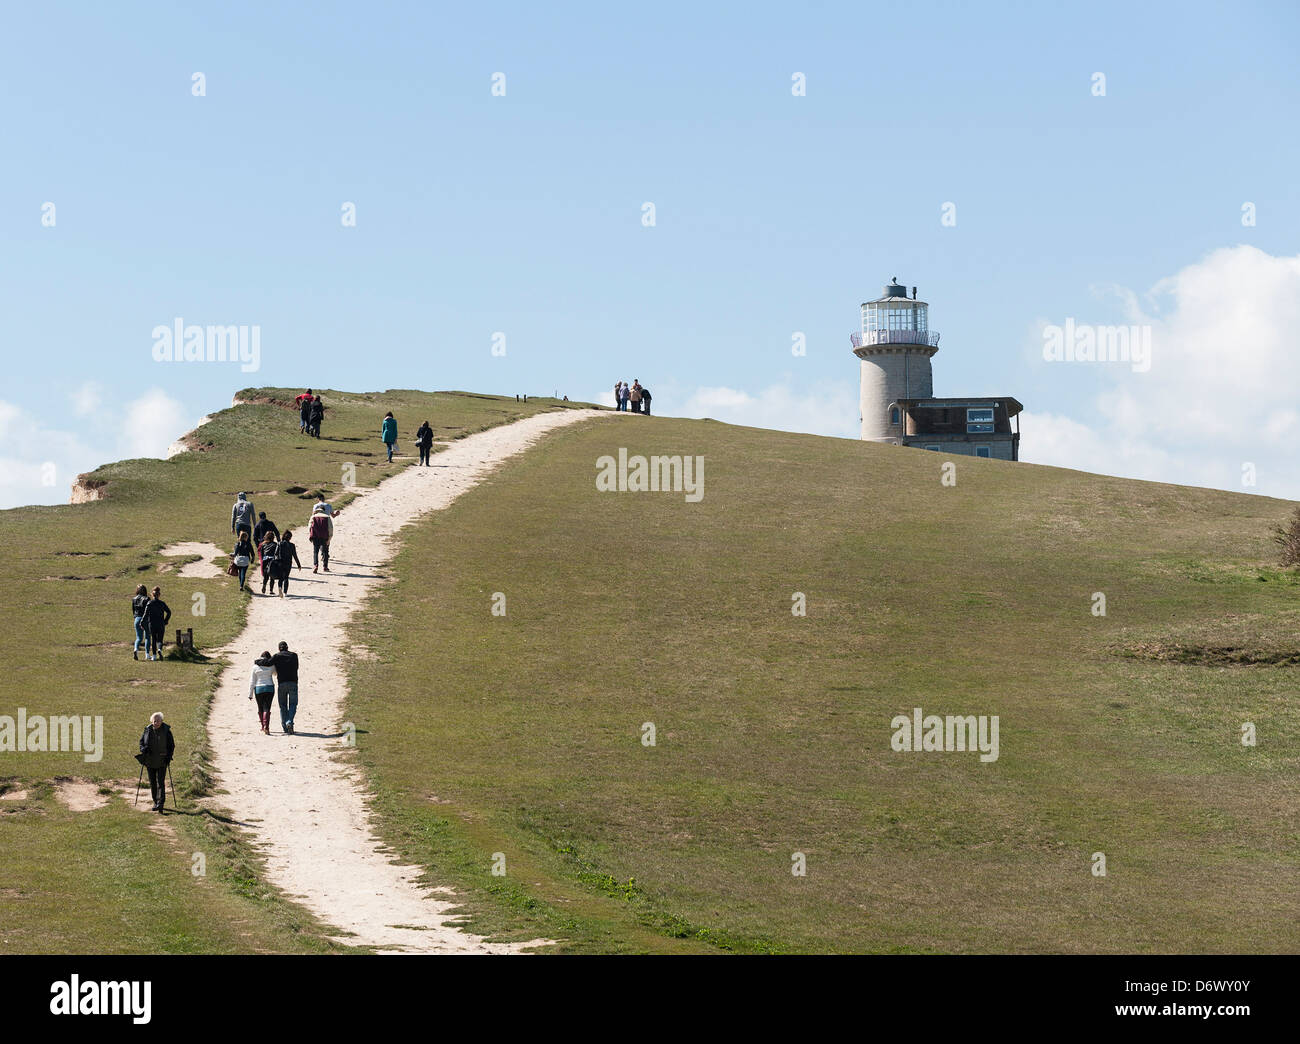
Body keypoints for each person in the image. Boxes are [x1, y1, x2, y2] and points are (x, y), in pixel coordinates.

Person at [138, 712, 175, 812]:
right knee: (152, 783)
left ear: (162, 721)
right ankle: (155, 802)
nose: (156, 722)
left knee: (160, 782)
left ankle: (160, 803)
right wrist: (143, 749)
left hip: (162, 761)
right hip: (150, 761)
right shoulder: (147, 730)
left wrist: (169, 757)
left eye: (158, 721)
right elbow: (141, 742)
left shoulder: (167, 731)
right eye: (154, 721)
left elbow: (171, 745)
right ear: (152, 721)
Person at [271, 641, 300, 735]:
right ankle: (289, 722)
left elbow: (267, 662)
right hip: (293, 682)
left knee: (283, 705)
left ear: (279, 648)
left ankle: (285, 727)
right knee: (293, 704)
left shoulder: (277, 656)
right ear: (287, 647)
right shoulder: (294, 656)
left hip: (282, 683)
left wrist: (257, 661)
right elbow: (297, 667)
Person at [248, 651, 276, 734]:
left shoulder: (255, 666)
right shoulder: (271, 666)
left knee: (260, 708)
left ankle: (263, 726)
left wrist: (250, 694)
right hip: (269, 688)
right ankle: (267, 726)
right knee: (267, 707)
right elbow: (275, 674)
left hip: (258, 688)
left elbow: (252, 681)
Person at [141, 586, 171, 661]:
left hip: (152, 624)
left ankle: (154, 656)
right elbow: (169, 612)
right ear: (159, 594)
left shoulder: (150, 603)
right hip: (161, 623)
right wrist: (166, 620)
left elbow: (145, 614)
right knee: (160, 639)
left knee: (154, 639)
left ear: (152, 594)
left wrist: (142, 623)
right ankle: (160, 650)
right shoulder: (162, 603)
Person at [308, 501, 334, 573]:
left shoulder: (313, 517)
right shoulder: (327, 517)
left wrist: (311, 536)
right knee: (325, 552)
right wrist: (329, 538)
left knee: (315, 552)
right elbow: (330, 528)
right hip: (324, 537)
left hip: (315, 536)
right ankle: (325, 567)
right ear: (324, 511)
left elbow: (310, 527)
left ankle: (315, 565)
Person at [275, 529, 302, 596]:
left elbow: (275, 554)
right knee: (286, 577)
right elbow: (295, 556)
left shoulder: (279, 544)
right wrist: (298, 565)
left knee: (280, 577)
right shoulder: (292, 545)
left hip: (280, 562)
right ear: (290, 538)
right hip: (288, 563)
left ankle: (280, 588)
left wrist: (276, 562)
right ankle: (285, 592)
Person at [258, 530, 279, 594]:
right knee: (272, 576)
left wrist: (262, 560)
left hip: (265, 560)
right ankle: (271, 590)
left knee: (266, 576)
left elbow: (261, 553)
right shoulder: (275, 544)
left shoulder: (263, 544)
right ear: (273, 537)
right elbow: (277, 553)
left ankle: (264, 585)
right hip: (272, 561)